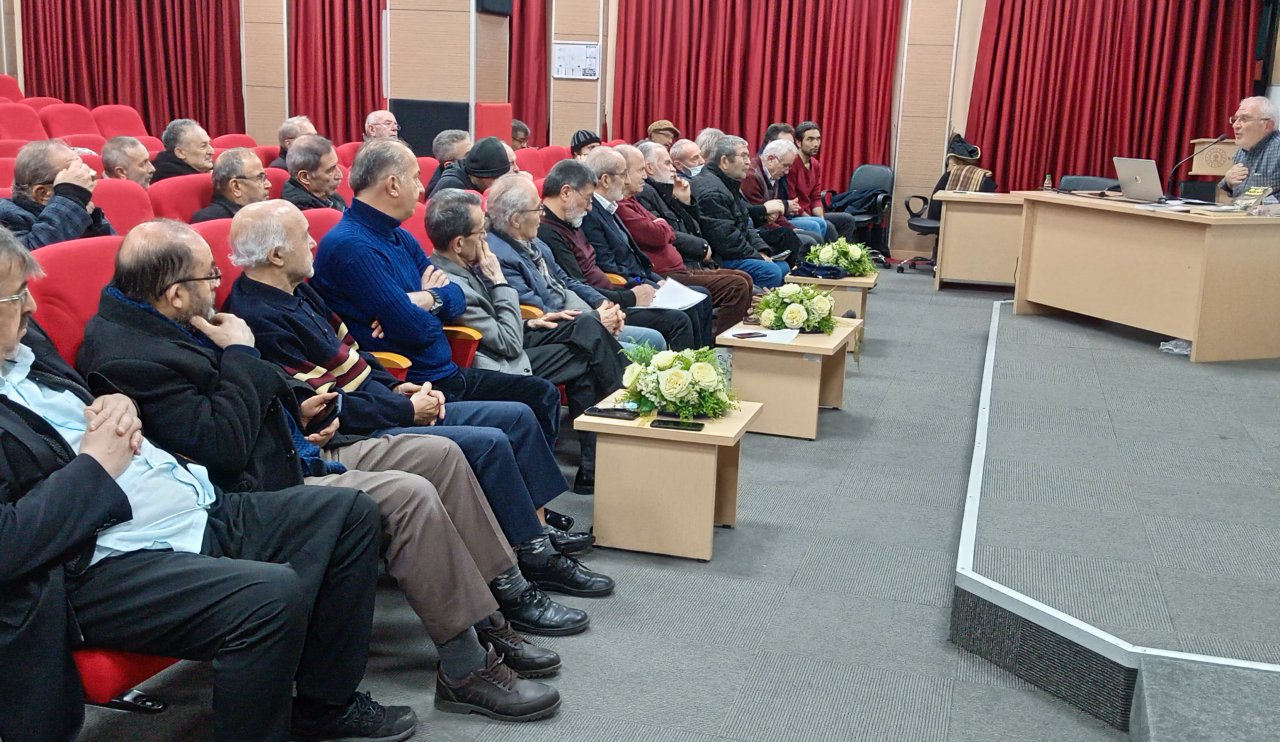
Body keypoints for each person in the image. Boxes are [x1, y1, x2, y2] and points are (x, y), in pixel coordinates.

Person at [76, 219, 569, 723]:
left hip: (299, 448)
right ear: (177, 294)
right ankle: (465, 665)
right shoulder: (128, 354)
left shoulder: (173, 320)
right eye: (209, 277)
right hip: (256, 484)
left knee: (441, 455)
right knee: (410, 494)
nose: (218, 285)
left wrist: (295, 406)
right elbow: (219, 446)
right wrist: (243, 353)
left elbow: (256, 385)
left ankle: (493, 614)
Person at [0, 226, 413, 742]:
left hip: (187, 504)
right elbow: (9, 546)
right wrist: (94, 466)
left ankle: (324, 706)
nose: (34, 306)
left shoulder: (23, 343)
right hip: (92, 564)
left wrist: (114, 404)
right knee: (271, 594)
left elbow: (76, 411)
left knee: (350, 514)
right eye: (17, 295)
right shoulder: (104, 346)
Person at [224, 198, 602, 560]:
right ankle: (532, 551)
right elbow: (326, 403)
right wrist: (405, 406)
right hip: (359, 427)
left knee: (521, 413)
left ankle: (533, 535)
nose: (313, 243)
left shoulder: (299, 288)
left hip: (390, 396)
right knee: (491, 439)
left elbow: (358, 351)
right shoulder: (259, 317)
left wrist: (394, 383)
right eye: (303, 236)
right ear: (276, 255)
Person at [309, 139, 566, 476]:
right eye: (416, 178)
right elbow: (416, 330)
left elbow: (455, 299)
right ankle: (532, 516)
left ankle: (537, 508)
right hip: (416, 381)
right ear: (392, 184)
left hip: (445, 371)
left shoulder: (398, 235)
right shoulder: (352, 246)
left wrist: (425, 300)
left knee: (541, 394)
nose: (420, 188)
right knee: (522, 412)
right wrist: (420, 308)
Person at [430, 187, 627, 494]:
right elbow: (506, 342)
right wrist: (498, 282)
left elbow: (503, 324)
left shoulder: (466, 263)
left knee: (588, 327)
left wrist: (530, 320)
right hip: (497, 363)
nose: (487, 241)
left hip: (511, 337)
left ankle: (596, 464)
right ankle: (626, 408)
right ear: (459, 243)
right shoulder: (454, 282)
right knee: (589, 351)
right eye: (481, 234)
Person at [538, 157, 700, 350]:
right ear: (566, 193)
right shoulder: (548, 232)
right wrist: (628, 297)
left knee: (690, 306)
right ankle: (678, 378)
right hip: (597, 306)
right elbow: (574, 285)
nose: (590, 207)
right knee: (677, 321)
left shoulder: (571, 219)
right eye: (588, 198)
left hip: (608, 296)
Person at [581, 146, 715, 347]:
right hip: (623, 291)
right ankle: (680, 374)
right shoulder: (592, 214)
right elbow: (609, 267)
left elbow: (637, 255)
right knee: (679, 319)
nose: (627, 180)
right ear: (606, 180)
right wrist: (643, 287)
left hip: (642, 280)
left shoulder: (610, 206)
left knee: (699, 299)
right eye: (623, 174)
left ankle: (703, 364)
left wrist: (656, 281)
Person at [621, 144, 752, 332]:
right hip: (666, 271)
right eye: (667, 163)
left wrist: (685, 202)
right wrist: (698, 245)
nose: (673, 168)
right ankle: (723, 346)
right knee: (737, 285)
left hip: (683, 265)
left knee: (743, 278)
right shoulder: (642, 194)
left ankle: (723, 341)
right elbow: (658, 234)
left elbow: (684, 228)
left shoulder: (650, 193)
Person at [691, 135, 788, 288]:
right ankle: (749, 309)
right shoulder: (712, 191)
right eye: (743, 156)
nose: (749, 162)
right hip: (719, 258)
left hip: (731, 251)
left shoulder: (728, 183)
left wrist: (761, 250)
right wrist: (757, 256)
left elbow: (746, 224)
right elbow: (726, 241)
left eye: (748, 156)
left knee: (782, 266)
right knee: (771, 271)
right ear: (724, 161)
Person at [0, 140, 114, 250]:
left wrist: (93, 221)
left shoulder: (77, 208)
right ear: (43, 194)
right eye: (74, 177)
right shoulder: (7, 215)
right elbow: (30, 259)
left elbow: (109, 252)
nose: (87, 178)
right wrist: (71, 196)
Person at [740, 138, 825, 250]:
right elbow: (763, 217)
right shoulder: (752, 177)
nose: (787, 171)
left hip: (774, 224)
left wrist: (792, 228)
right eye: (785, 166)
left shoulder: (772, 173)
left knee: (815, 236)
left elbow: (776, 213)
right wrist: (790, 230)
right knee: (810, 240)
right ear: (771, 159)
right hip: (759, 229)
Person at [791, 121, 859, 240]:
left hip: (810, 213)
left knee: (847, 220)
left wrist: (821, 218)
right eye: (810, 139)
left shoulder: (815, 164)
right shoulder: (792, 163)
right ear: (798, 142)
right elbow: (791, 199)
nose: (816, 144)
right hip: (794, 214)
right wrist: (816, 220)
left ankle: (842, 255)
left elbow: (815, 197)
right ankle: (829, 257)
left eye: (818, 139)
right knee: (828, 226)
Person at [1221, 96, 1280, 197]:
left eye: (1244, 119)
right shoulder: (1242, 151)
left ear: (1267, 125)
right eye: (1235, 119)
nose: (1235, 125)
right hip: (1239, 212)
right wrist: (1228, 181)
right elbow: (1230, 193)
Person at [191, 148, 270, 223]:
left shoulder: (260, 212)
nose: (269, 184)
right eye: (260, 178)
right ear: (236, 187)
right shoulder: (209, 220)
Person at [429, 136, 512, 197]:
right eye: (495, 178)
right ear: (478, 176)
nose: (499, 183)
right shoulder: (452, 186)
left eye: (503, 177)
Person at [283, 134, 347, 212]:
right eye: (331, 170)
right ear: (304, 177)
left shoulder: (326, 193)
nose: (339, 175)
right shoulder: (301, 209)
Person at [151, 118, 214, 183]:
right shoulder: (168, 177)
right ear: (180, 153)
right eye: (203, 146)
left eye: (209, 144)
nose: (212, 151)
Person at [427, 129, 473, 194]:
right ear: (449, 165)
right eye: (468, 155)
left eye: (474, 150)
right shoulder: (443, 194)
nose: (475, 156)